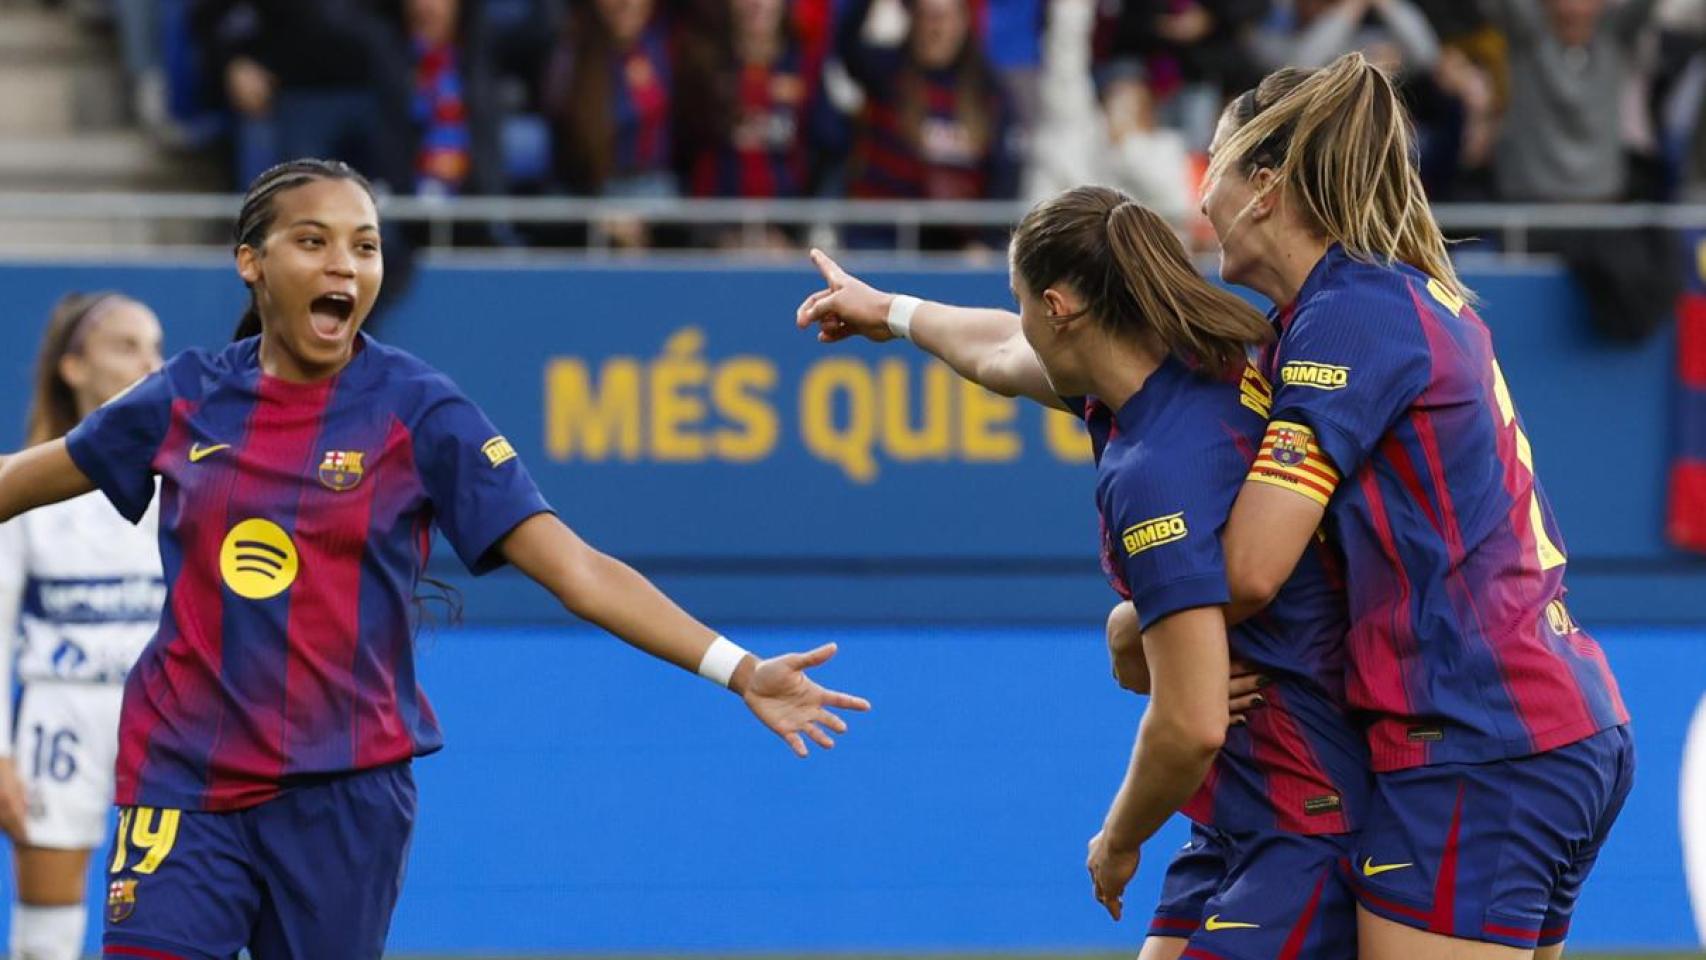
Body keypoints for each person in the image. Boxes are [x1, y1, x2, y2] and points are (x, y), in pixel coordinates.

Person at [0, 158, 868, 960]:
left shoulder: (420, 410)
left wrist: (741, 669)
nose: (345, 265)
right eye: (314, 241)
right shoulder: (185, 396)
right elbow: (18, 482)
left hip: (344, 795)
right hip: (180, 781)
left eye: (365, 246)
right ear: (250, 264)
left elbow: (576, 569)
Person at [795, 185, 1370, 960]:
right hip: (1242, 804)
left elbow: (1190, 722)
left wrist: (1117, 841)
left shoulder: (1154, 470)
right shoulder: (1191, 368)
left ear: (1062, 307)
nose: (1022, 318)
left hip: (1300, 810)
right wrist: (890, 311)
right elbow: (999, 351)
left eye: (1024, 299)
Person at [1201, 54, 1633, 960]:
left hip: (1478, 741)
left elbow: (1249, 569)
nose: (1201, 198)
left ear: (1267, 186)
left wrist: (1140, 624)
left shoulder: (1348, 316)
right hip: (1540, 724)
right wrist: (901, 314)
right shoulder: (1375, 299)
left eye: (1217, 165)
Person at [0, 293, 165, 960]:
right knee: (47, 928)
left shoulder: (185, 481)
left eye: (155, 347)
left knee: (166, 922)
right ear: (73, 366)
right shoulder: (21, 486)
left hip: (164, 718)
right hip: (60, 717)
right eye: (126, 346)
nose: (149, 363)